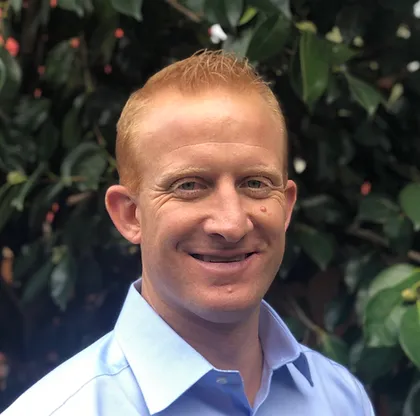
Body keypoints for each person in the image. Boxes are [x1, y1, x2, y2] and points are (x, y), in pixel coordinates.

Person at [3, 50, 375, 416]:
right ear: (130, 215)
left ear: (287, 206)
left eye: (256, 183)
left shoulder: (341, 399)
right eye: (189, 186)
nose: (230, 224)